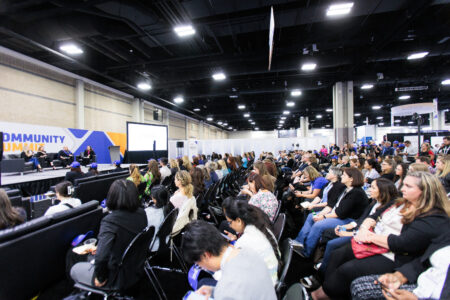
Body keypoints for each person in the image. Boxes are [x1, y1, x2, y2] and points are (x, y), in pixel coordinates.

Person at [316, 171, 450, 299]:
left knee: (347, 270)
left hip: (394, 254)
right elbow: (373, 216)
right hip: (377, 241)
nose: (402, 188)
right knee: (337, 254)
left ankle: (323, 293)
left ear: (425, 191)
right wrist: (364, 228)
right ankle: (325, 288)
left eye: (408, 186)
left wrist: (369, 236)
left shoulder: (432, 217)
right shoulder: (399, 202)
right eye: (404, 184)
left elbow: (403, 244)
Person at [70, 179, 147, 290]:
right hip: (135, 267)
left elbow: (101, 258)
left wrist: (100, 278)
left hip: (116, 275)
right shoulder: (142, 212)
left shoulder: (109, 221)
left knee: (74, 268)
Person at [181, 220, 277, 300]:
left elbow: (233, 290)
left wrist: (219, 292)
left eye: (198, 264)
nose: (201, 267)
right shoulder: (247, 250)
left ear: (206, 255)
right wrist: (214, 290)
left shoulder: (227, 287)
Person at [290, 168, 369, 258]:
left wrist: (323, 216)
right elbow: (334, 207)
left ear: (351, 178)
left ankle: (306, 252)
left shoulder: (356, 193)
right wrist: (321, 215)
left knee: (318, 225)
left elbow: (340, 213)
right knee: (312, 216)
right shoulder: (348, 189)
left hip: (348, 220)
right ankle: (299, 241)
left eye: (344, 175)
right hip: (339, 215)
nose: (341, 176)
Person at [351, 230, 450, 300]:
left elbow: (402, 242)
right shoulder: (446, 233)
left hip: (430, 295)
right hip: (422, 284)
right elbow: (424, 260)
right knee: (359, 285)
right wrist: (400, 276)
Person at [222, 198, 280, 286]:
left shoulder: (245, 241)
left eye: (230, 222)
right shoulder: (259, 225)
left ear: (239, 221)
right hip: (271, 280)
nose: (230, 226)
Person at [145, 185, 170, 252]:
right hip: (166, 241)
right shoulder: (170, 208)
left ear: (154, 199)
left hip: (152, 246)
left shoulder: (148, 213)